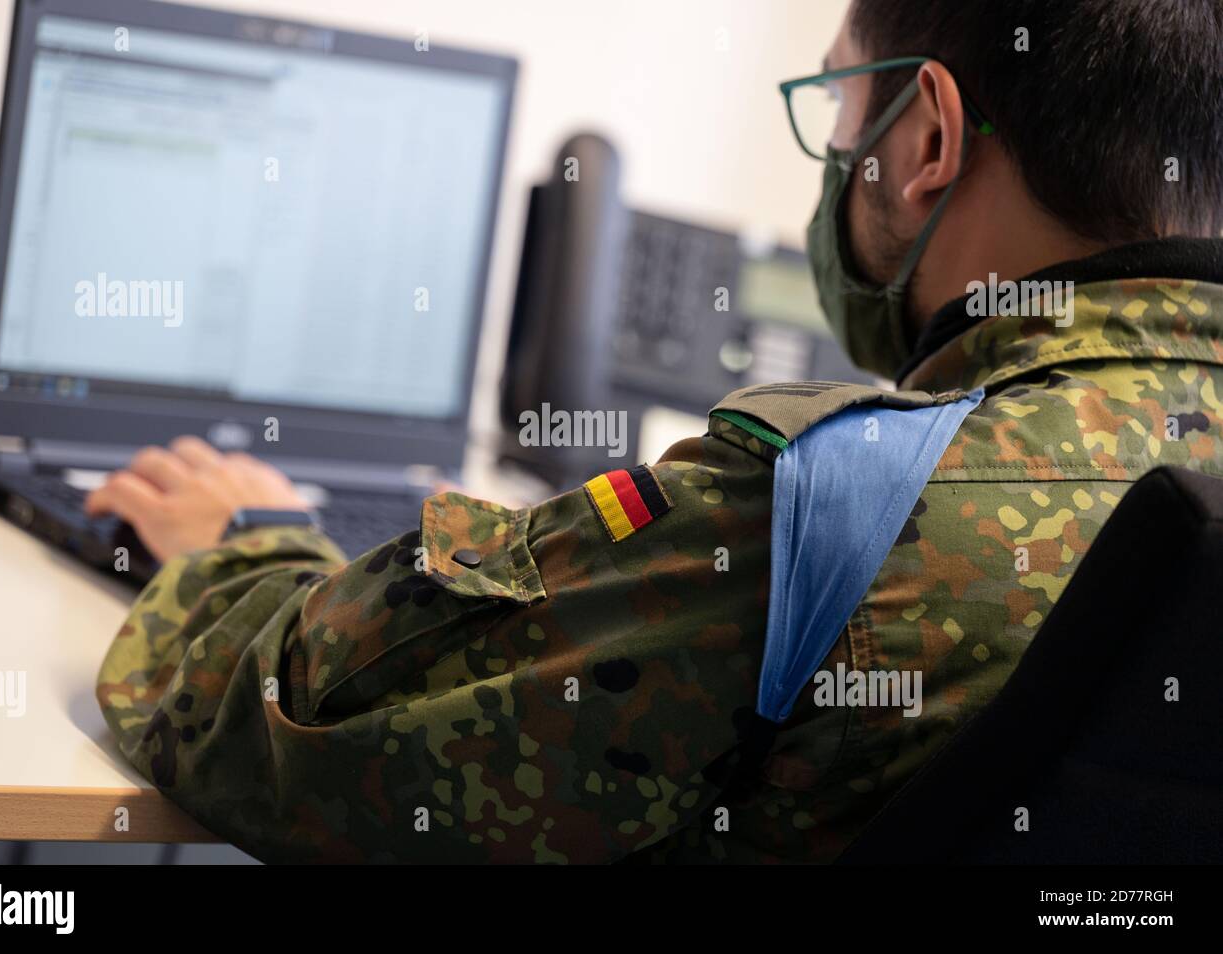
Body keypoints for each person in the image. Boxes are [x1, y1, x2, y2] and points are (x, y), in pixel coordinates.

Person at [92, 0, 1223, 863]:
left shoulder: (835, 511)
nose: (834, 156)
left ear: (925, 137)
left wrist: (245, 537)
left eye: (840, 106)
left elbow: (290, 721)